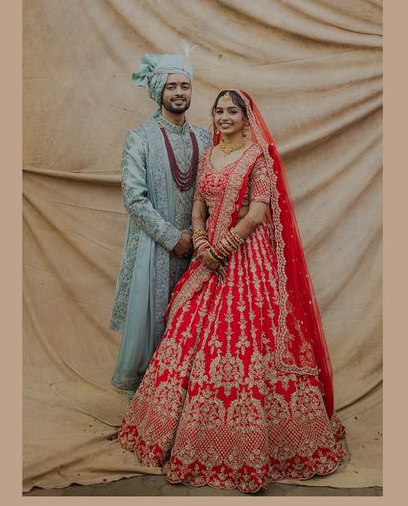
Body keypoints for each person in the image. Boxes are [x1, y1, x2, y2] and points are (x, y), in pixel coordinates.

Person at [117, 90, 345, 493]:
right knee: (187, 334)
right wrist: (202, 243)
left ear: (246, 117)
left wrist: (223, 246)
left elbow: (258, 211)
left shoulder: (255, 157)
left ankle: (252, 444)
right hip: (209, 256)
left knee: (249, 338)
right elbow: (198, 207)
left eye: (232, 112)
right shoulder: (210, 155)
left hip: (246, 257)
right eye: (219, 111)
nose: (224, 117)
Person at [110, 54, 212, 400]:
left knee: (194, 321)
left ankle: (185, 402)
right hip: (154, 249)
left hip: (200, 247)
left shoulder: (206, 138)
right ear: (159, 91)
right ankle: (148, 406)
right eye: (172, 86)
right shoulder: (139, 138)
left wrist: (198, 238)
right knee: (153, 321)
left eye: (185, 85)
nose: (179, 92)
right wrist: (172, 238)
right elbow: (134, 199)